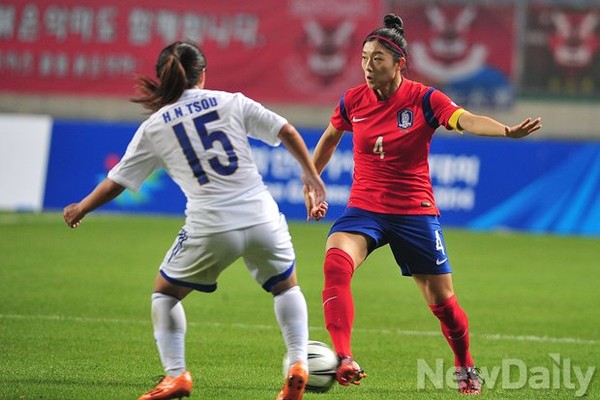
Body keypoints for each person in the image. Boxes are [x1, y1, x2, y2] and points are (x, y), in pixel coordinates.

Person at [63, 41, 326, 400]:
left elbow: (117, 181)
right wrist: (310, 175)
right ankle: (298, 363)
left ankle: (176, 376)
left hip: (211, 225)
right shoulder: (231, 101)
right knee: (286, 287)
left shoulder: (155, 127)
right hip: (262, 216)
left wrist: (82, 208)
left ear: (164, 79)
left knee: (165, 295)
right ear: (203, 74)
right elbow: (288, 131)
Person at [308, 14, 541, 395]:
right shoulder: (353, 100)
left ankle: (464, 363)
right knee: (335, 263)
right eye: (365, 57)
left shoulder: (424, 99)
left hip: (414, 211)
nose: (368, 66)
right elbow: (331, 137)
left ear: (399, 63)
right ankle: (344, 356)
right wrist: (313, 181)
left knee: (443, 302)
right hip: (365, 208)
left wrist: (505, 130)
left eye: (378, 59)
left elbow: (465, 119)